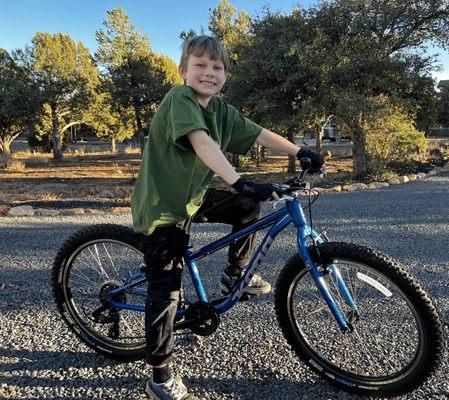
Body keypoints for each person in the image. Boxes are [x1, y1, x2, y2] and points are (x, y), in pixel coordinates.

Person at [131, 35, 324, 400]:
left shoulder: (220, 109)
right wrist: (239, 181)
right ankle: (159, 376)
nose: (209, 72)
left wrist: (301, 151)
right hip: (162, 209)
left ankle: (236, 273)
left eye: (217, 67)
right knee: (167, 292)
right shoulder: (180, 98)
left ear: (225, 76)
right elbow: (202, 142)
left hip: (195, 198)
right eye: (200, 65)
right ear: (183, 71)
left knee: (248, 207)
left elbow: (258, 133)